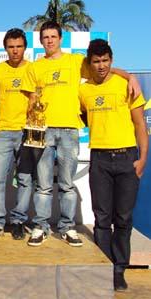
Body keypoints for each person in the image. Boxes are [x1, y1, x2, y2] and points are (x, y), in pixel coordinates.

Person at [21, 21, 141, 247]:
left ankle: (67, 227)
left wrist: (130, 76)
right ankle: (41, 226)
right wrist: (32, 121)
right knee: (44, 183)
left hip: (69, 130)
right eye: (45, 37)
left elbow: (104, 68)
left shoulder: (76, 62)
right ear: (41, 41)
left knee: (67, 182)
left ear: (60, 39)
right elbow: (32, 100)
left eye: (53, 37)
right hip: (43, 131)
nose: (49, 41)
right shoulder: (34, 67)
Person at [79, 39, 148, 291]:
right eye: (96, 61)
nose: (101, 66)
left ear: (111, 60)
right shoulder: (83, 90)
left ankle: (119, 270)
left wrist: (142, 159)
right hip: (99, 159)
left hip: (127, 157)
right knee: (101, 217)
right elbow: (82, 116)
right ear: (89, 62)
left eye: (105, 61)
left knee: (123, 218)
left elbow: (141, 125)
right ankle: (103, 267)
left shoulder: (125, 85)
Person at [0, 28, 35, 241]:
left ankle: (19, 220)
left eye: (19, 46)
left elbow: (37, 100)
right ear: (5, 49)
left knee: (25, 179)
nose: (15, 51)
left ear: (25, 47)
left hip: (27, 131)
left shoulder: (33, 69)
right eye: (11, 47)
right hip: (2, 131)